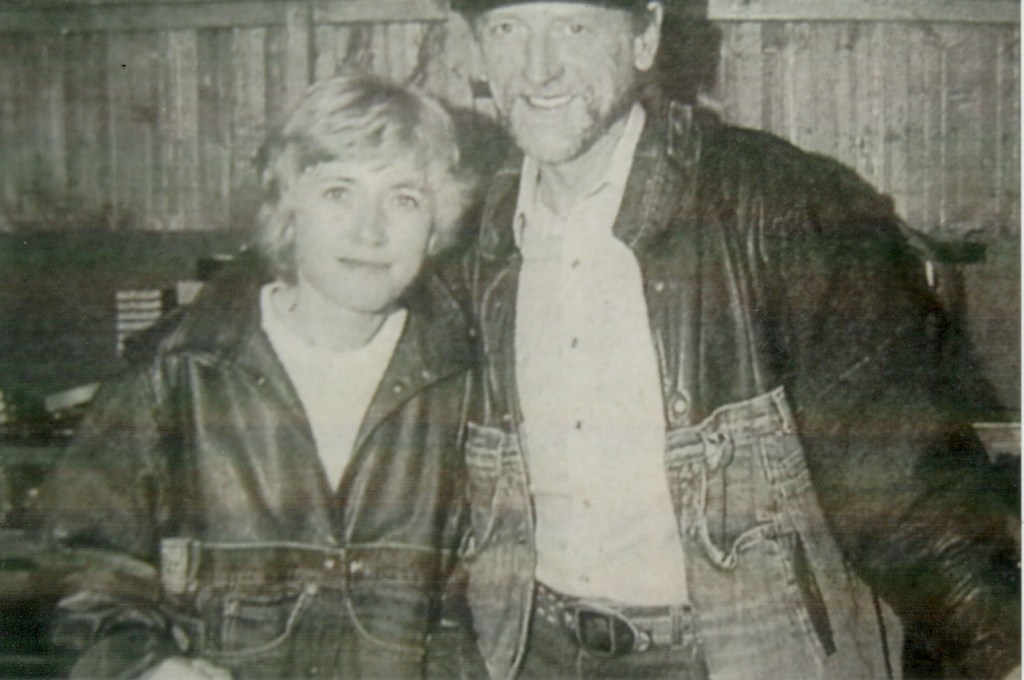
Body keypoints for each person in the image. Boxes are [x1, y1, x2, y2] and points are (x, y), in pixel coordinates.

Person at [446, 0, 1021, 678]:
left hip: (737, 655)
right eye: (508, 29)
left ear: (645, 37)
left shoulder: (780, 204)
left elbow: (897, 478)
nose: (538, 69)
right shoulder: (463, 235)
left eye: (574, 27)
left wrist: (1003, 650)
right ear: (476, 51)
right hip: (525, 651)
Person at [36, 72, 481, 680]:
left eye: (404, 198)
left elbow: (485, 602)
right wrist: (144, 664)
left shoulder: (467, 381)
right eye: (339, 193)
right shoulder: (176, 374)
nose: (370, 230)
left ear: (437, 225)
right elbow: (78, 567)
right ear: (288, 207)